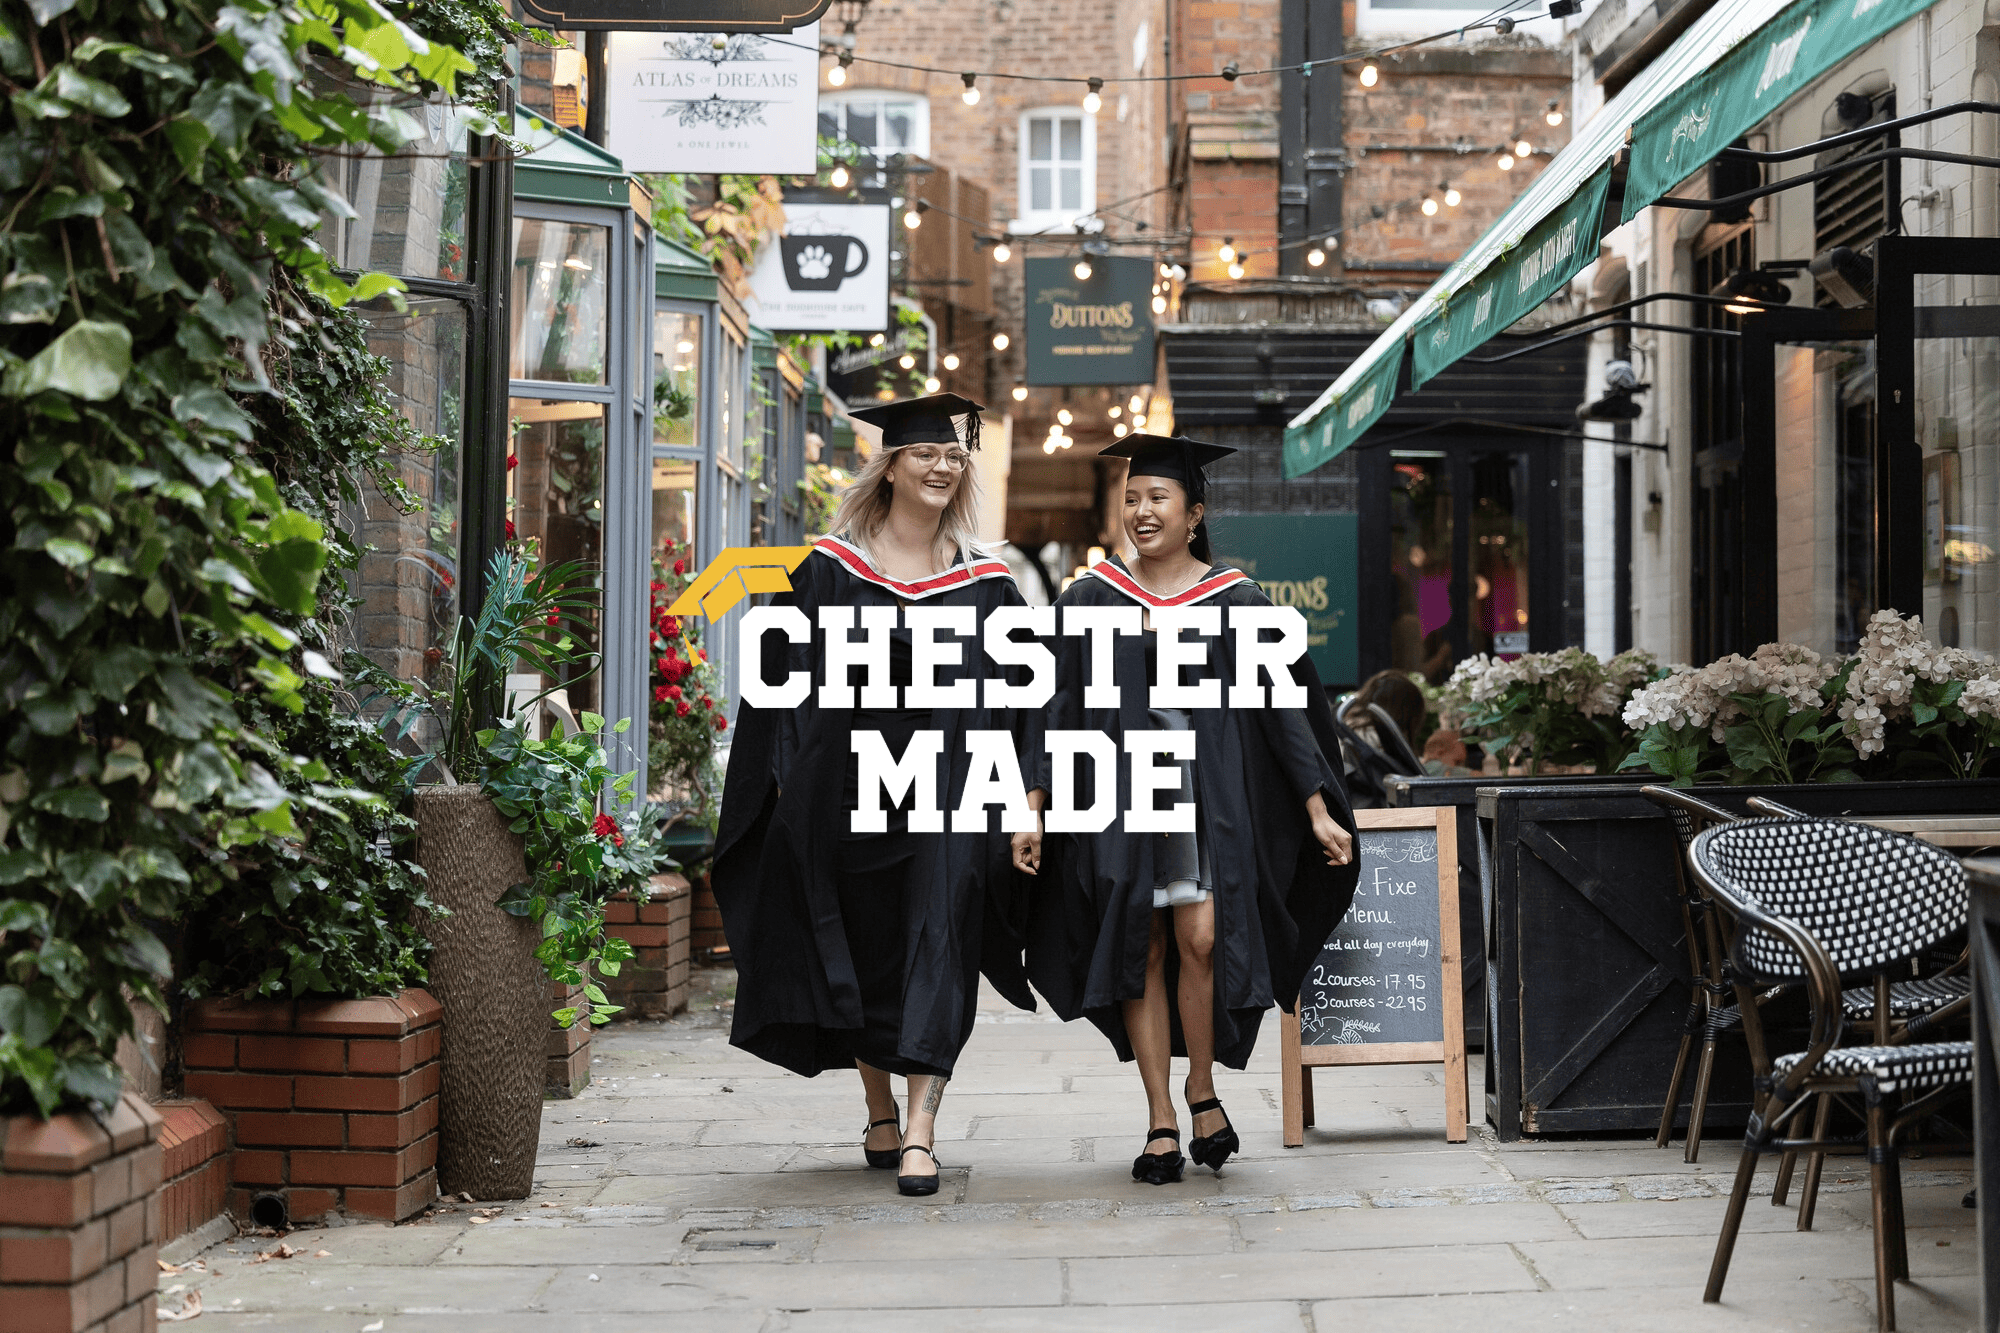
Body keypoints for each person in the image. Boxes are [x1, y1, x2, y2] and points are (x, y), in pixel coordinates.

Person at [711, 393, 1036, 1197]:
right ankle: (879, 1105)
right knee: (862, 940)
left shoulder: (987, 583)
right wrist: (779, 785)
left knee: (944, 931)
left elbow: (1033, 694)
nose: (941, 465)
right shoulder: (828, 568)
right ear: (889, 463)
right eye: (926, 452)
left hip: (953, 790)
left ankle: (922, 1127)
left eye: (954, 456)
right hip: (848, 792)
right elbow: (777, 686)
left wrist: (1028, 795)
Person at [1012, 435, 1360, 1185]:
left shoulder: (1234, 598)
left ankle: (1203, 1084)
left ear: (1194, 512)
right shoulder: (1092, 598)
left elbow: (1282, 712)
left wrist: (1316, 809)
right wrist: (1032, 805)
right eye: (1132, 498)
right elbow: (1052, 709)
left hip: (1207, 802)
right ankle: (1162, 1117)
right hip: (1121, 797)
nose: (1141, 511)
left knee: (1200, 936)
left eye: (1158, 498)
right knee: (1142, 945)